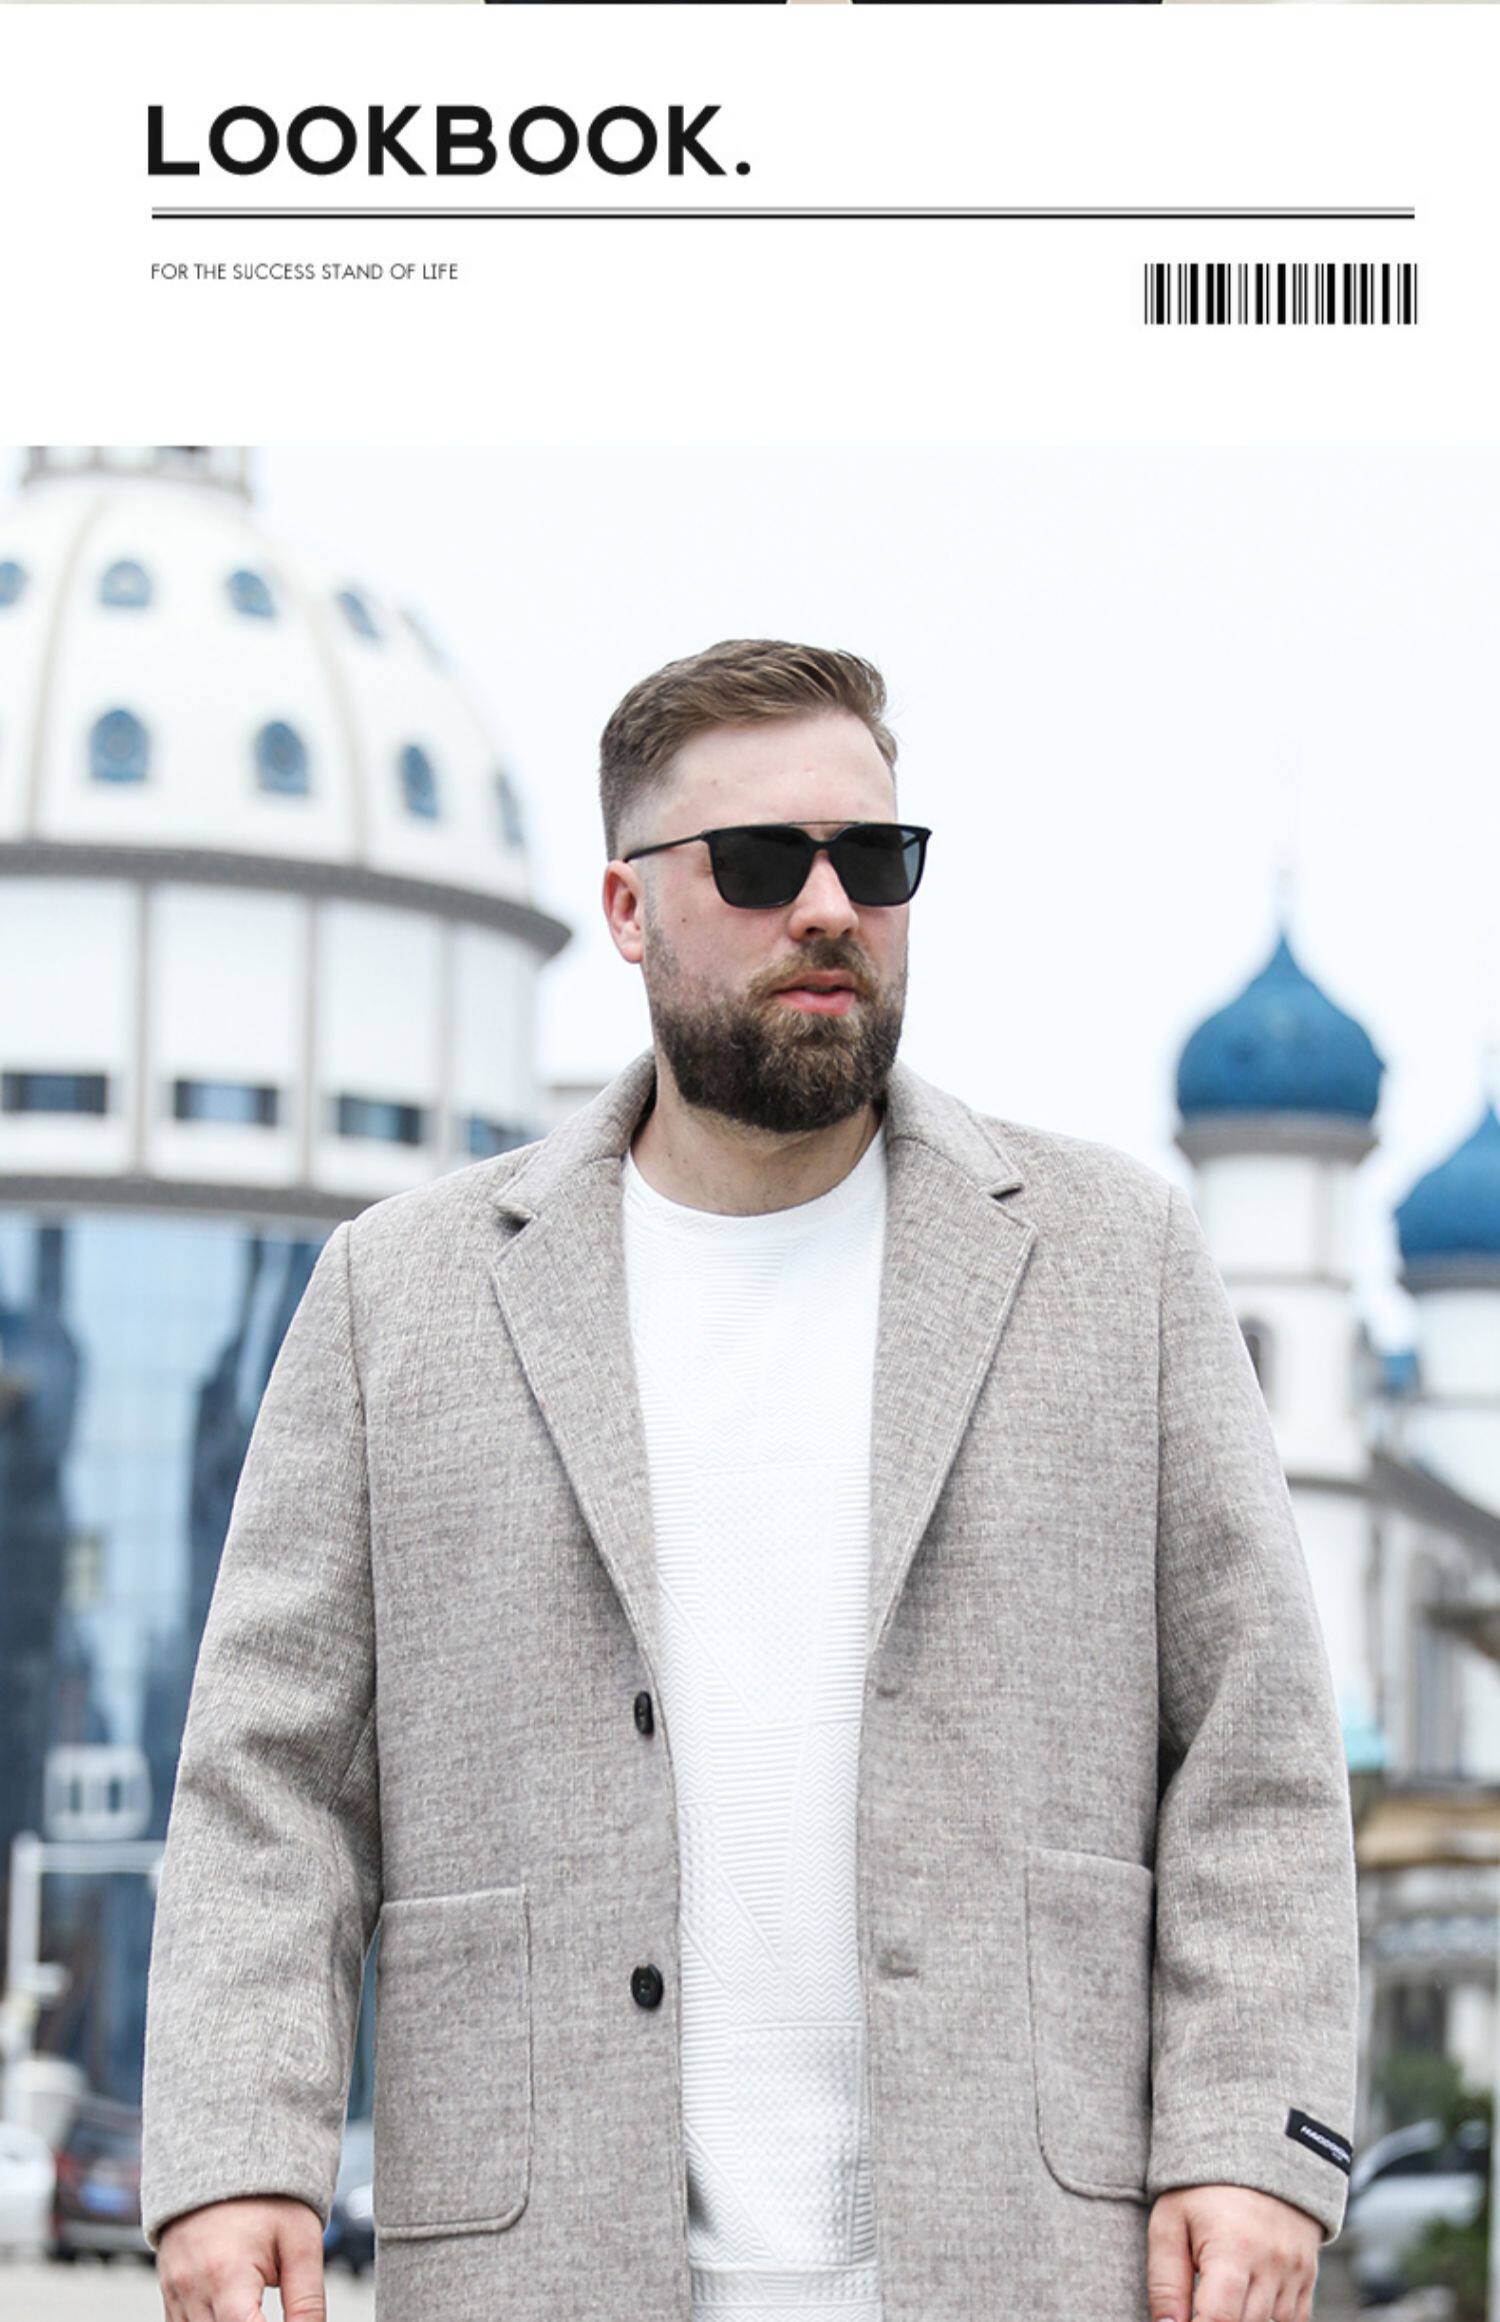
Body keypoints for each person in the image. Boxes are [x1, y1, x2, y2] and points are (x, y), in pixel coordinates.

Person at [141, 637, 1359, 2322]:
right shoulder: (397, 1295)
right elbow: (265, 1780)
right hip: (541, 2267)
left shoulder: (1118, 1261)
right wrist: (235, 2149)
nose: (830, 908)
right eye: (764, 862)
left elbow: (1259, 1745)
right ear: (628, 909)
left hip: (1031, 2260)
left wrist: (1255, 2138)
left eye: (875, 859)